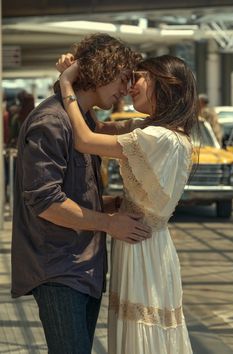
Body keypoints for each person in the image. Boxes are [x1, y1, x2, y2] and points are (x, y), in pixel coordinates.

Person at [11, 33, 151, 354]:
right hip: (59, 267)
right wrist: (110, 224)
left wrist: (112, 205)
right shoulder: (51, 122)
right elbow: (46, 202)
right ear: (101, 71)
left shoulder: (82, 122)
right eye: (121, 77)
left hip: (82, 267)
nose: (124, 89)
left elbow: (72, 194)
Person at [58, 54, 199, 354]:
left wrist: (66, 82)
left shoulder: (159, 138)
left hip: (141, 248)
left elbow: (84, 139)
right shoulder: (158, 132)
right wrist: (81, 82)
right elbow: (93, 125)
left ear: (164, 84)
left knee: (140, 336)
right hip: (143, 243)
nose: (131, 85)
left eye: (139, 77)